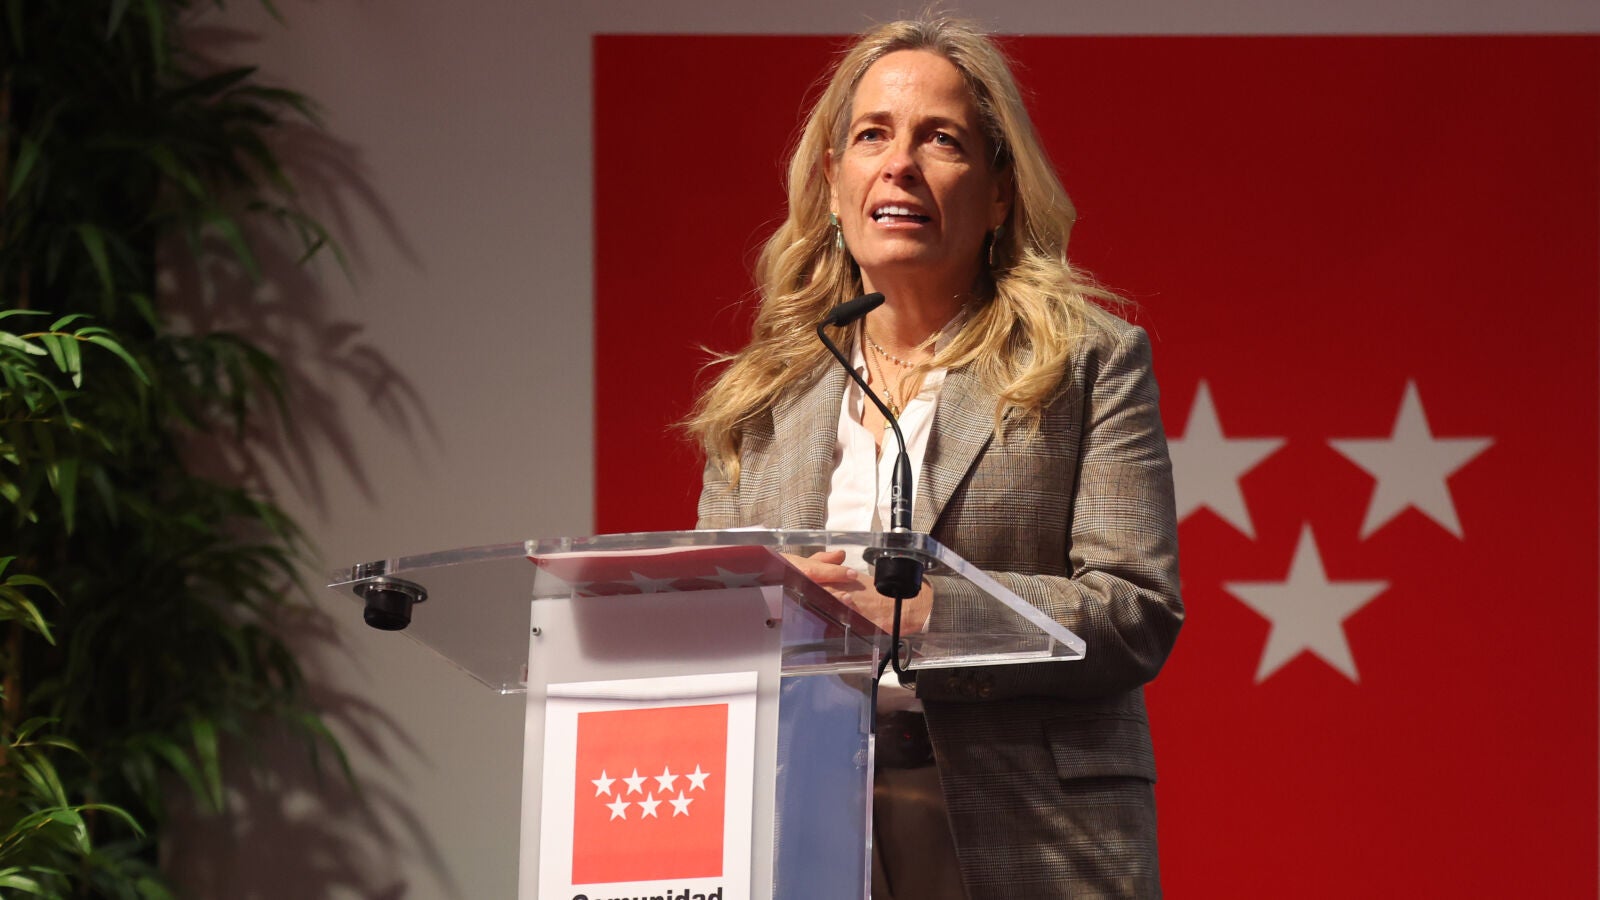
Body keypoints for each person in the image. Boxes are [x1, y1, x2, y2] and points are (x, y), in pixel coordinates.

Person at [686, 16, 1182, 900]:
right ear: (834, 182)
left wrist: (933, 617)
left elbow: (1136, 610)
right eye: (872, 135)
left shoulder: (1086, 362)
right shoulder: (761, 396)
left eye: (941, 139)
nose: (900, 165)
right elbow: (709, 626)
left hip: (1028, 833)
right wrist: (762, 610)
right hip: (804, 820)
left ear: (1000, 193)